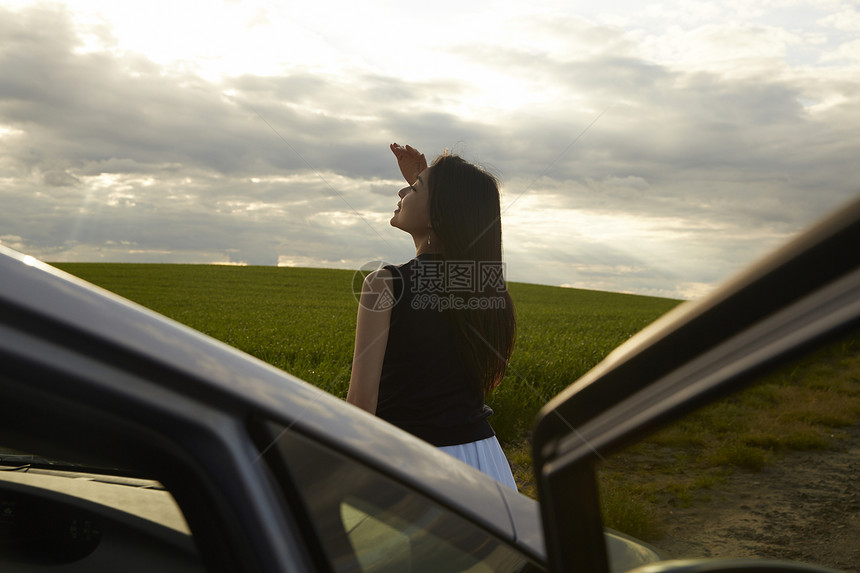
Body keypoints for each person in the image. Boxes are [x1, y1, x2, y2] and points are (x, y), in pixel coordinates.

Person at [347, 142, 517, 489]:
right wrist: (426, 185)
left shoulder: (384, 285)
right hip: (484, 462)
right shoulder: (485, 287)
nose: (400, 189)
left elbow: (362, 404)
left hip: (410, 463)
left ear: (439, 214)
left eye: (413, 188)